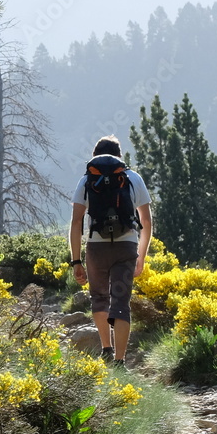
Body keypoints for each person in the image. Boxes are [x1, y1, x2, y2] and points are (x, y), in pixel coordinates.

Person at [68, 135, 152, 368]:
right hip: (126, 246)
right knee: (121, 303)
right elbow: (146, 220)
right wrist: (141, 256)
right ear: (120, 157)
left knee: (99, 298)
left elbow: (76, 222)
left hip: (96, 247)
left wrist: (76, 261)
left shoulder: (86, 179)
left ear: (95, 156)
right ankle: (119, 360)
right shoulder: (132, 178)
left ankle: (106, 348)